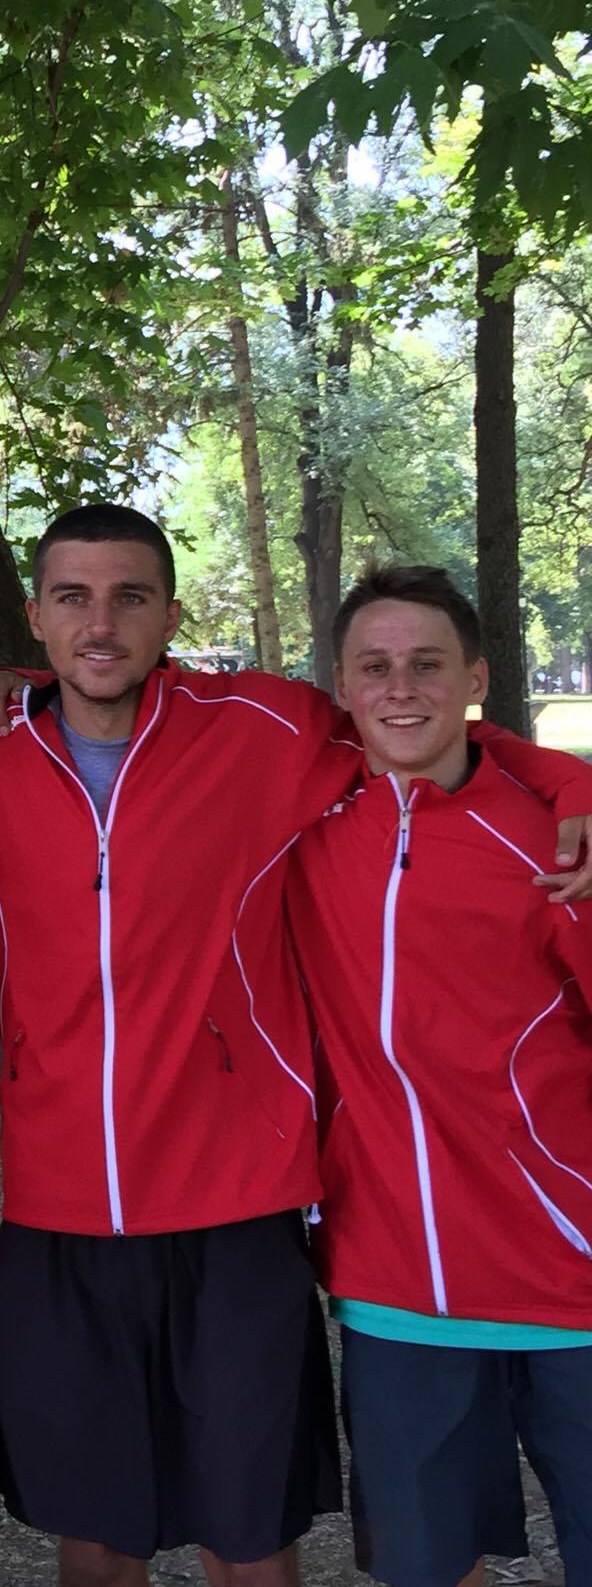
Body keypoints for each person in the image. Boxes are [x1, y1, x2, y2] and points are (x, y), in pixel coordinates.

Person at [0, 504, 592, 1587]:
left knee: (249, 1538)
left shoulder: (265, 726)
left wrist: (572, 783)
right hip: (61, 1218)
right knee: (96, 1542)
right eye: (74, 598)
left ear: (170, 616)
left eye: (129, 597)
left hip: (235, 1208)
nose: (101, 623)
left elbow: (422, 724)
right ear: (35, 617)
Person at [286, 565, 592, 1587]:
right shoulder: (303, 830)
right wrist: (23, 681)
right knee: (425, 1567)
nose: (401, 688)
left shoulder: (558, 844)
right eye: (374, 667)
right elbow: (138, 700)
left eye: (427, 664)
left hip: (568, 1269)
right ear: (341, 686)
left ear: (476, 678)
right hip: (395, 1283)